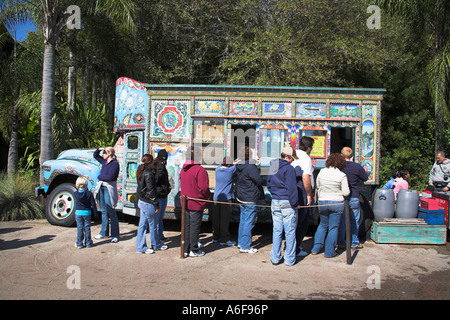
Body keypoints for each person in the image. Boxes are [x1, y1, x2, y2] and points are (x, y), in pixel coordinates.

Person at [311, 153, 350, 258]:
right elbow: (346, 192)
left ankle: (315, 248)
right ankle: (329, 252)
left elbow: (317, 186)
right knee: (333, 228)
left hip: (323, 201)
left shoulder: (322, 172)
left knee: (323, 225)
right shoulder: (341, 175)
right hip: (337, 203)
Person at [267, 146, 300, 266]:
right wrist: (295, 203)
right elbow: (291, 188)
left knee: (277, 230)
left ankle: (275, 257)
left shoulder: (273, 165)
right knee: (290, 231)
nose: (293, 161)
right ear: (287, 157)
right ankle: (289, 259)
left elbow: (269, 184)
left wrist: (275, 194)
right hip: (287, 201)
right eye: (292, 158)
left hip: (275, 200)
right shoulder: (289, 169)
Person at [180, 146, 211, 257]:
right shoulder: (200, 170)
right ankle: (194, 249)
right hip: (196, 202)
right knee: (194, 226)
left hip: (185, 202)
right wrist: (207, 197)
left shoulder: (183, 169)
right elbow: (204, 188)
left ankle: (185, 248)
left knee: (186, 226)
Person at [235, 145, 264, 254]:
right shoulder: (250, 167)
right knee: (248, 222)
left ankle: (241, 242)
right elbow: (259, 180)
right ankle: (245, 246)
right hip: (250, 196)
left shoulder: (239, 165)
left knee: (243, 220)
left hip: (242, 195)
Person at [338, 147, 368, 249]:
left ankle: (341, 242)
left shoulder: (338, 166)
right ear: (351, 156)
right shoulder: (357, 166)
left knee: (342, 220)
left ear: (341, 155)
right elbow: (365, 178)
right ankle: (354, 242)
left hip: (341, 196)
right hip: (354, 196)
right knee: (354, 220)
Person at [136, 154, 165, 254]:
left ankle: (140, 247)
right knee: (153, 225)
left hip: (142, 201)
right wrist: (156, 205)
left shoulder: (141, 171)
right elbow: (151, 190)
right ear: (150, 162)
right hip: (149, 203)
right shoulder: (148, 174)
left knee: (142, 225)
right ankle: (155, 244)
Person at [293, 136, 315, 256]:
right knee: (303, 220)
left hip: (294, 189)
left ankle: (292, 247)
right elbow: (305, 177)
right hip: (302, 190)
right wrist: (309, 195)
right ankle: (295, 249)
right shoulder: (305, 157)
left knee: (296, 221)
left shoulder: (294, 154)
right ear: (308, 148)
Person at [93, 147, 120, 243]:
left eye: (104, 152)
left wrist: (99, 176)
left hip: (108, 189)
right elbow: (95, 155)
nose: (102, 154)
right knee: (103, 211)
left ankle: (115, 234)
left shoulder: (115, 164)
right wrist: (99, 149)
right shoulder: (104, 162)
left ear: (109, 153)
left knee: (111, 210)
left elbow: (111, 177)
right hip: (101, 187)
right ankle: (103, 232)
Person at [212, 156, 237, 246]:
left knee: (216, 219)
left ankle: (215, 237)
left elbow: (221, 165)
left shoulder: (217, 169)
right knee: (224, 220)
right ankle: (224, 239)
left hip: (216, 198)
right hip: (226, 198)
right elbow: (237, 165)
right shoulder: (230, 171)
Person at [74, 177, 98, 248]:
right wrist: (95, 213)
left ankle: (79, 243)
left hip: (78, 213)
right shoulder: (89, 193)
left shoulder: (75, 194)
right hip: (87, 213)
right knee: (87, 227)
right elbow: (93, 204)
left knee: (80, 228)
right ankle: (88, 242)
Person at [155, 149, 172, 244]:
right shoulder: (160, 168)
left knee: (159, 218)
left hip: (162, 194)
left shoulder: (159, 166)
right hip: (160, 195)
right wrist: (165, 189)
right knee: (158, 218)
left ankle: (160, 236)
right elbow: (156, 182)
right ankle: (157, 239)